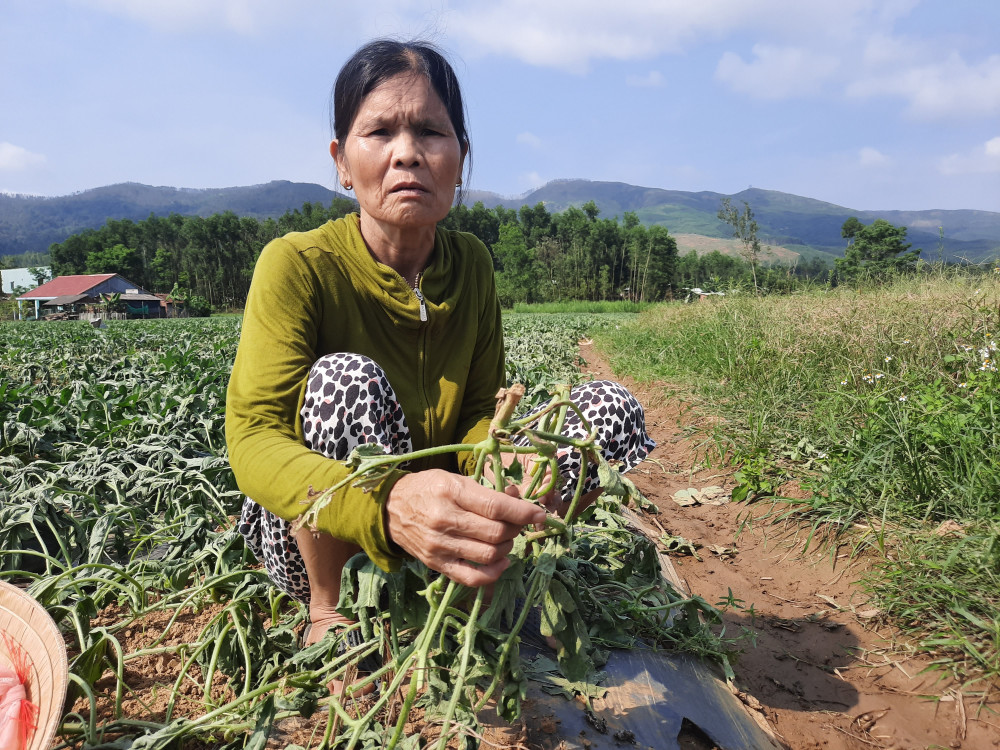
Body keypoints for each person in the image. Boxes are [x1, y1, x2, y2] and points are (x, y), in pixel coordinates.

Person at [225, 39, 654, 691]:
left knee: (608, 414)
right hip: (324, 528)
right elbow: (254, 438)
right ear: (342, 162)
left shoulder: (472, 264)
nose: (407, 153)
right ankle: (329, 610)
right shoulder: (298, 265)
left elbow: (480, 410)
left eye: (429, 130)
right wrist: (387, 500)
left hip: (444, 519)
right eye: (379, 131)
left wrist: (507, 458)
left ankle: (502, 573)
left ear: (460, 159)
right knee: (345, 379)